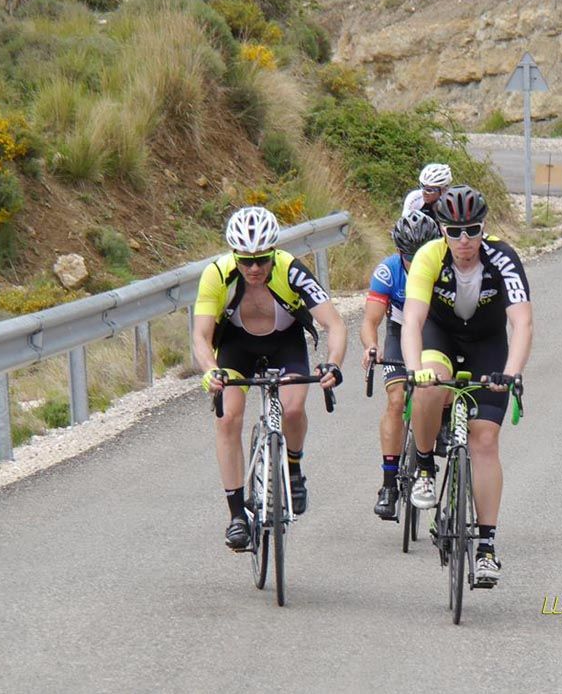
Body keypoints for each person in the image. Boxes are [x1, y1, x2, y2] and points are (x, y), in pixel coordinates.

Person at [193, 206, 347, 550]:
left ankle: (292, 467)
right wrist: (209, 372)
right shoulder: (217, 275)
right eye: (245, 261)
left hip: (284, 344)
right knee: (228, 417)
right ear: (234, 255)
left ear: (272, 252)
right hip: (237, 348)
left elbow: (334, 323)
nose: (254, 269)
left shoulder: (291, 270)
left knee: (292, 409)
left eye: (262, 259)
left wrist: (332, 364)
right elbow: (201, 336)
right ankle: (236, 515)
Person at [401, 185, 533, 583]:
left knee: (485, 441)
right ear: (441, 229)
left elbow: (522, 322)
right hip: (441, 337)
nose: (463, 240)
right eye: (454, 231)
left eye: (471, 230)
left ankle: (487, 546)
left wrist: (510, 373)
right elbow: (412, 319)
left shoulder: (503, 257)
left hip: (488, 345)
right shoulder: (429, 256)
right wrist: (413, 368)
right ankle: (424, 464)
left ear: (483, 228)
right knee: (429, 387)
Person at [360, 212, 442, 520]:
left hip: (436, 334)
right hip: (399, 330)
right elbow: (370, 320)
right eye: (410, 257)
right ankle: (389, 484)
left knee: (439, 392)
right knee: (396, 401)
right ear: (399, 253)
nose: (417, 262)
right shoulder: (389, 271)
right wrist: (371, 346)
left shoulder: (446, 267)